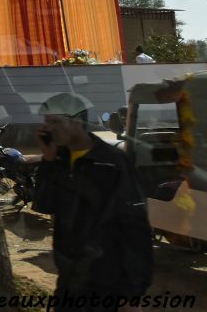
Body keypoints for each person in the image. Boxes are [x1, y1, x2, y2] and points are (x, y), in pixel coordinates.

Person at [33, 92, 153, 312]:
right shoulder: (58, 161)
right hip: (70, 281)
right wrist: (48, 161)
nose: (49, 129)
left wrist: (133, 294)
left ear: (77, 121)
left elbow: (136, 229)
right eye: (47, 122)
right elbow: (44, 205)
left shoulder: (111, 163)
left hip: (107, 284)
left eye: (56, 122)